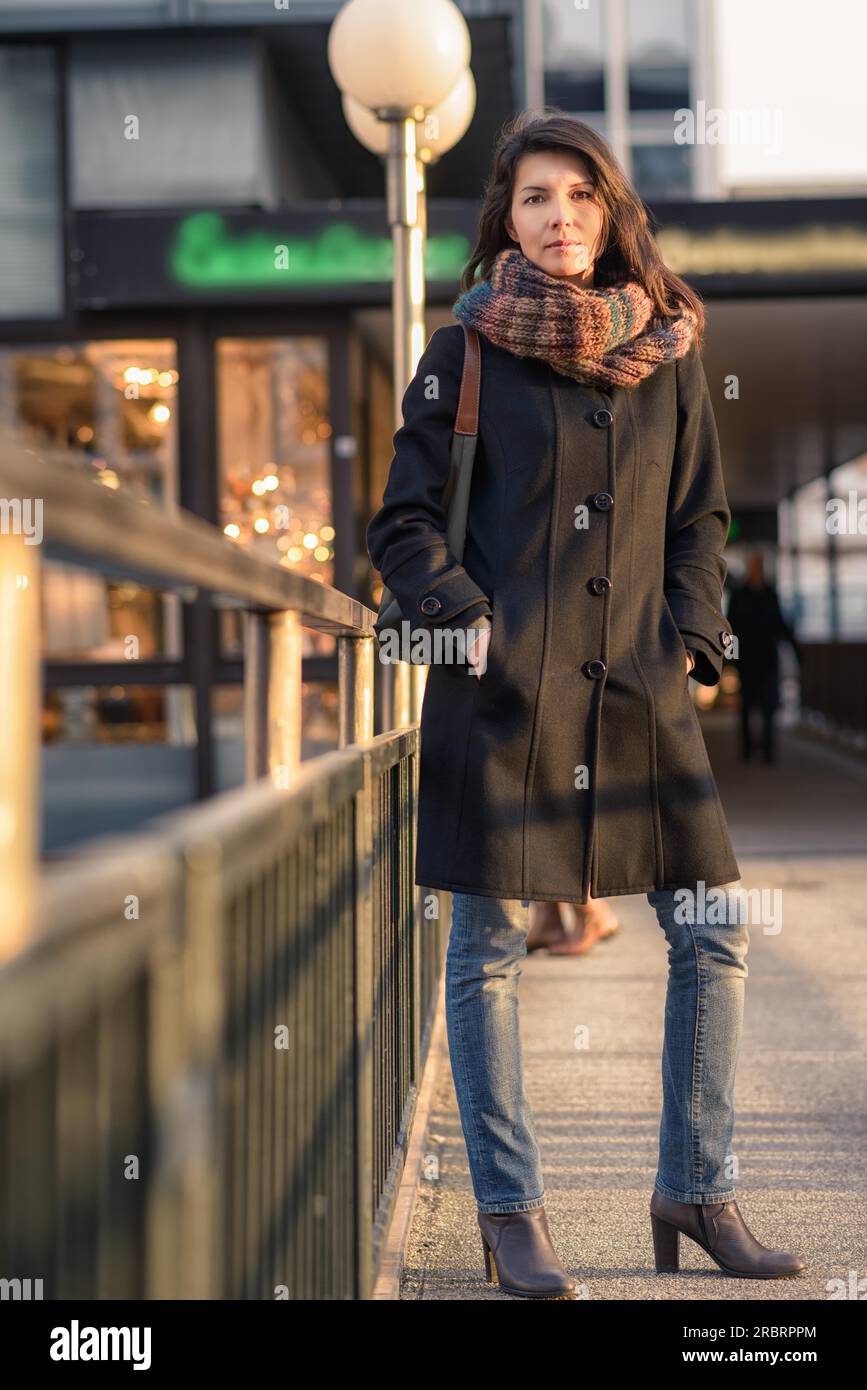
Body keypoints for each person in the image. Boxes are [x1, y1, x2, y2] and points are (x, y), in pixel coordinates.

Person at [366, 111, 807, 1297]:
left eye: (578, 196)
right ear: (503, 221)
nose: (557, 218)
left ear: (611, 211)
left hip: (640, 696)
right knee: (490, 947)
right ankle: (513, 1215)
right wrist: (471, 619)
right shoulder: (461, 354)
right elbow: (399, 523)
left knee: (714, 927)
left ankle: (695, 1185)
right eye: (532, 200)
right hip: (504, 694)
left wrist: (696, 636)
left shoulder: (668, 349)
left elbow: (699, 516)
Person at [728, 551, 800, 763]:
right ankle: (747, 750)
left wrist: (795, 651)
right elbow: (731, 629)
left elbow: (780, 625)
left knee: (769, 707)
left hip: (768, 661)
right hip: (747, 662)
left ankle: (768, 751)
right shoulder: (740, 596)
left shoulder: (770, 594)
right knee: (746, 707)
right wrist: (730, 659)